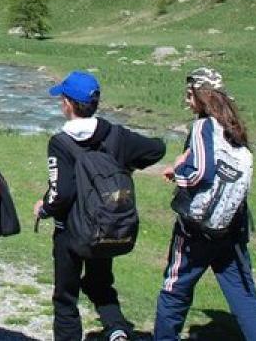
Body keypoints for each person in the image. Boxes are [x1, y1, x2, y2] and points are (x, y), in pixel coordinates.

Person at [33, 71, 166, 341]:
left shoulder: (61, 142)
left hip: (71, 231)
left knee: (65, 296)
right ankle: (117, 329)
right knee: (100, 283)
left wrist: (43, 209)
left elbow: (62, 194)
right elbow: (156, 149)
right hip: (107, 225)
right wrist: (125, 166)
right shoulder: (116, 134)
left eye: (62, 99)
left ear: (68, 104)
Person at [153, 68, 256, 341]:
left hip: (197, 229)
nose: (187, 101)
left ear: (202, 95)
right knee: (245, 298)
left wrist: (176, 172)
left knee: (174, 290)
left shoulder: (203, 127)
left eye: (190, 94)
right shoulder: (234, 127)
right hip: (232, 227)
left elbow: (201, 172)